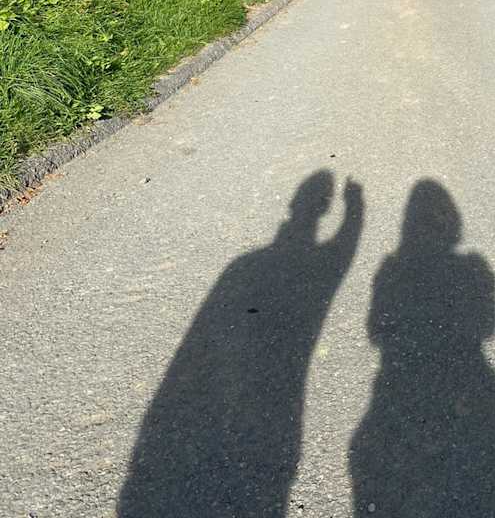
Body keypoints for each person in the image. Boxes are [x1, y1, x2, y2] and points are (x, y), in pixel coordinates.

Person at [118, 171, 364, 517]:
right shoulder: (250, 264)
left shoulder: (244, 264)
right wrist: (355, 208)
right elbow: (342, 254)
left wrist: (353, 210)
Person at [350, 179, 495, 517]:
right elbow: (486, 327)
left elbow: (376, 331)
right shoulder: (473, 268)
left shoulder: (391, 269)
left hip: (401, 385)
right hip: (470, 382)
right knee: (487, 475)